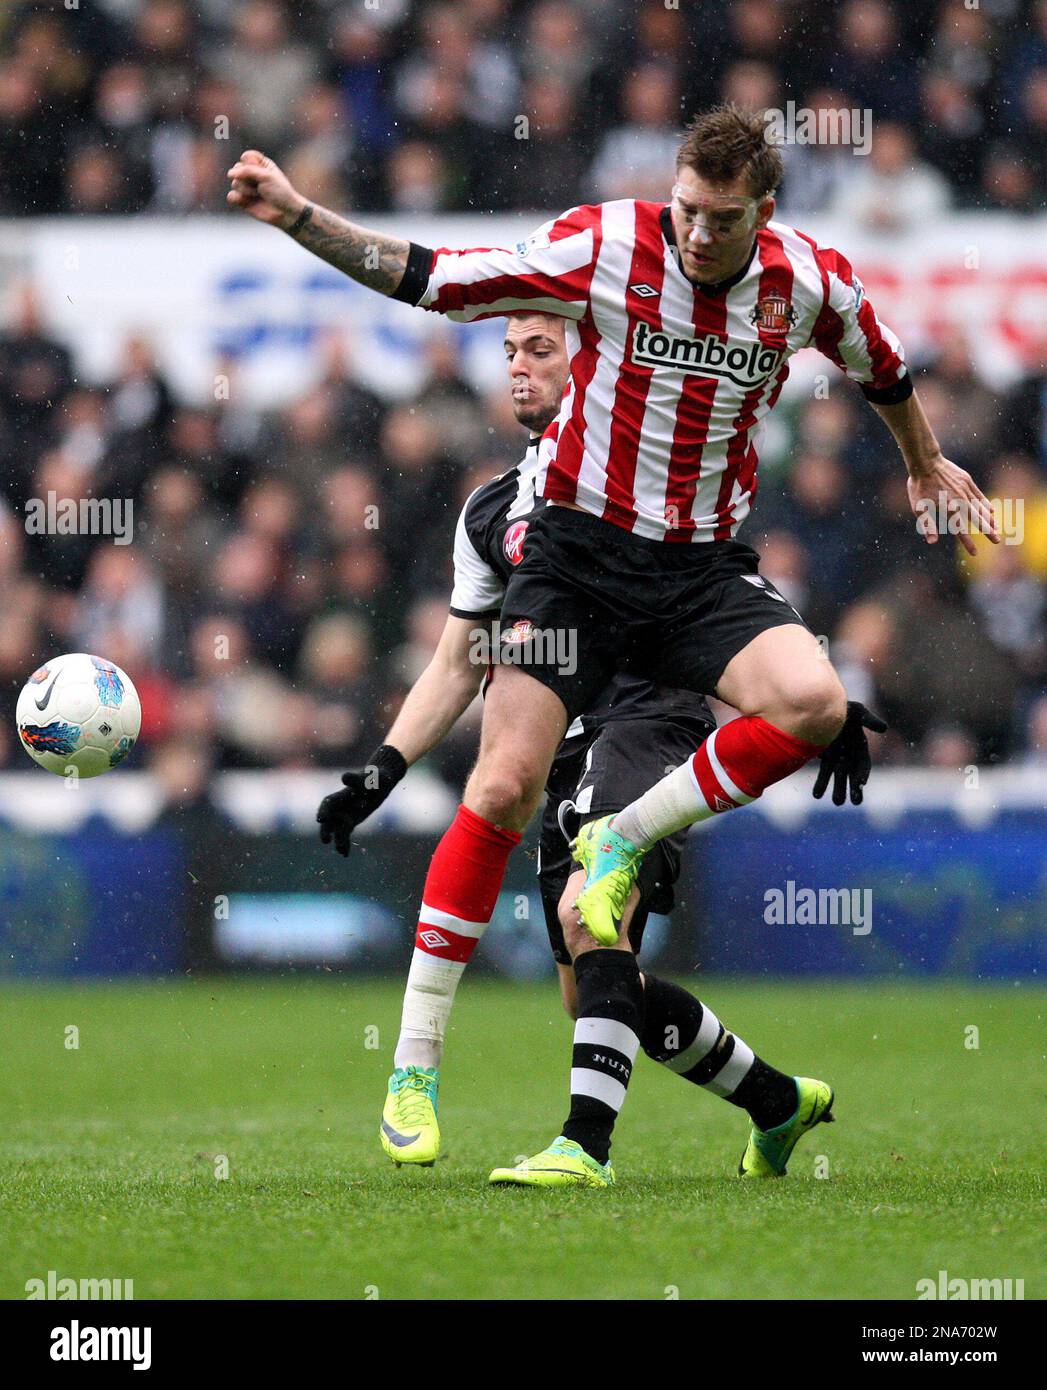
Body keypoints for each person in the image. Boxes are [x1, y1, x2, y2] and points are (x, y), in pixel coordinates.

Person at [228, 102, 992, 1180]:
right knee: (500, 791)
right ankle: (412, 1069)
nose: (693, 234)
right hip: (578, 562)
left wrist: (922, 460)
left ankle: (622, 852)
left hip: (696, 570)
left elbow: (882, 362)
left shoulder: (807, 279)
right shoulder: (608, 245)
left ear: (761, 213)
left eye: (719, 219)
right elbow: (438, 276)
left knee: (816, 704)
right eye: (684, 209)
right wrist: (302, 216)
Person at [317, 309, 882, 1185]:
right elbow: (459, 655)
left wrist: (820, 693)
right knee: (598, 988)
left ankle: (578, 1146)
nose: (516, 369)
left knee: (590, 915)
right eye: (507, 353)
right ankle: (776, 1102)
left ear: (597, 362)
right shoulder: (492, 511)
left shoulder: (659, 474)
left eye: (539, 351)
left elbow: (726, 580)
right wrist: (382, 765)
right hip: (562, 739)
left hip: (650, 721)